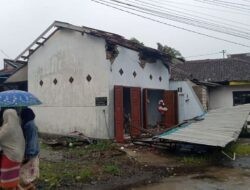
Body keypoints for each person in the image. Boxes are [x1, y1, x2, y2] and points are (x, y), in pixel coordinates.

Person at [0, 109, 25, 190]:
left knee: (7, 178)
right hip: (19, 155)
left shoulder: (7, 128)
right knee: (14, 175)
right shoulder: (17, 126)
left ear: (5, 117)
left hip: (10, 156)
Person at [19, 108, 40, 190]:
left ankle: (30, 187)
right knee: (28, 176)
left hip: (30, 154)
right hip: (33, 154)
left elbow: (31, 141)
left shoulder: (29, 125)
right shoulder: (30, 123)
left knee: (26, 176)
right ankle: (31, 187)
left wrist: (27, 157)